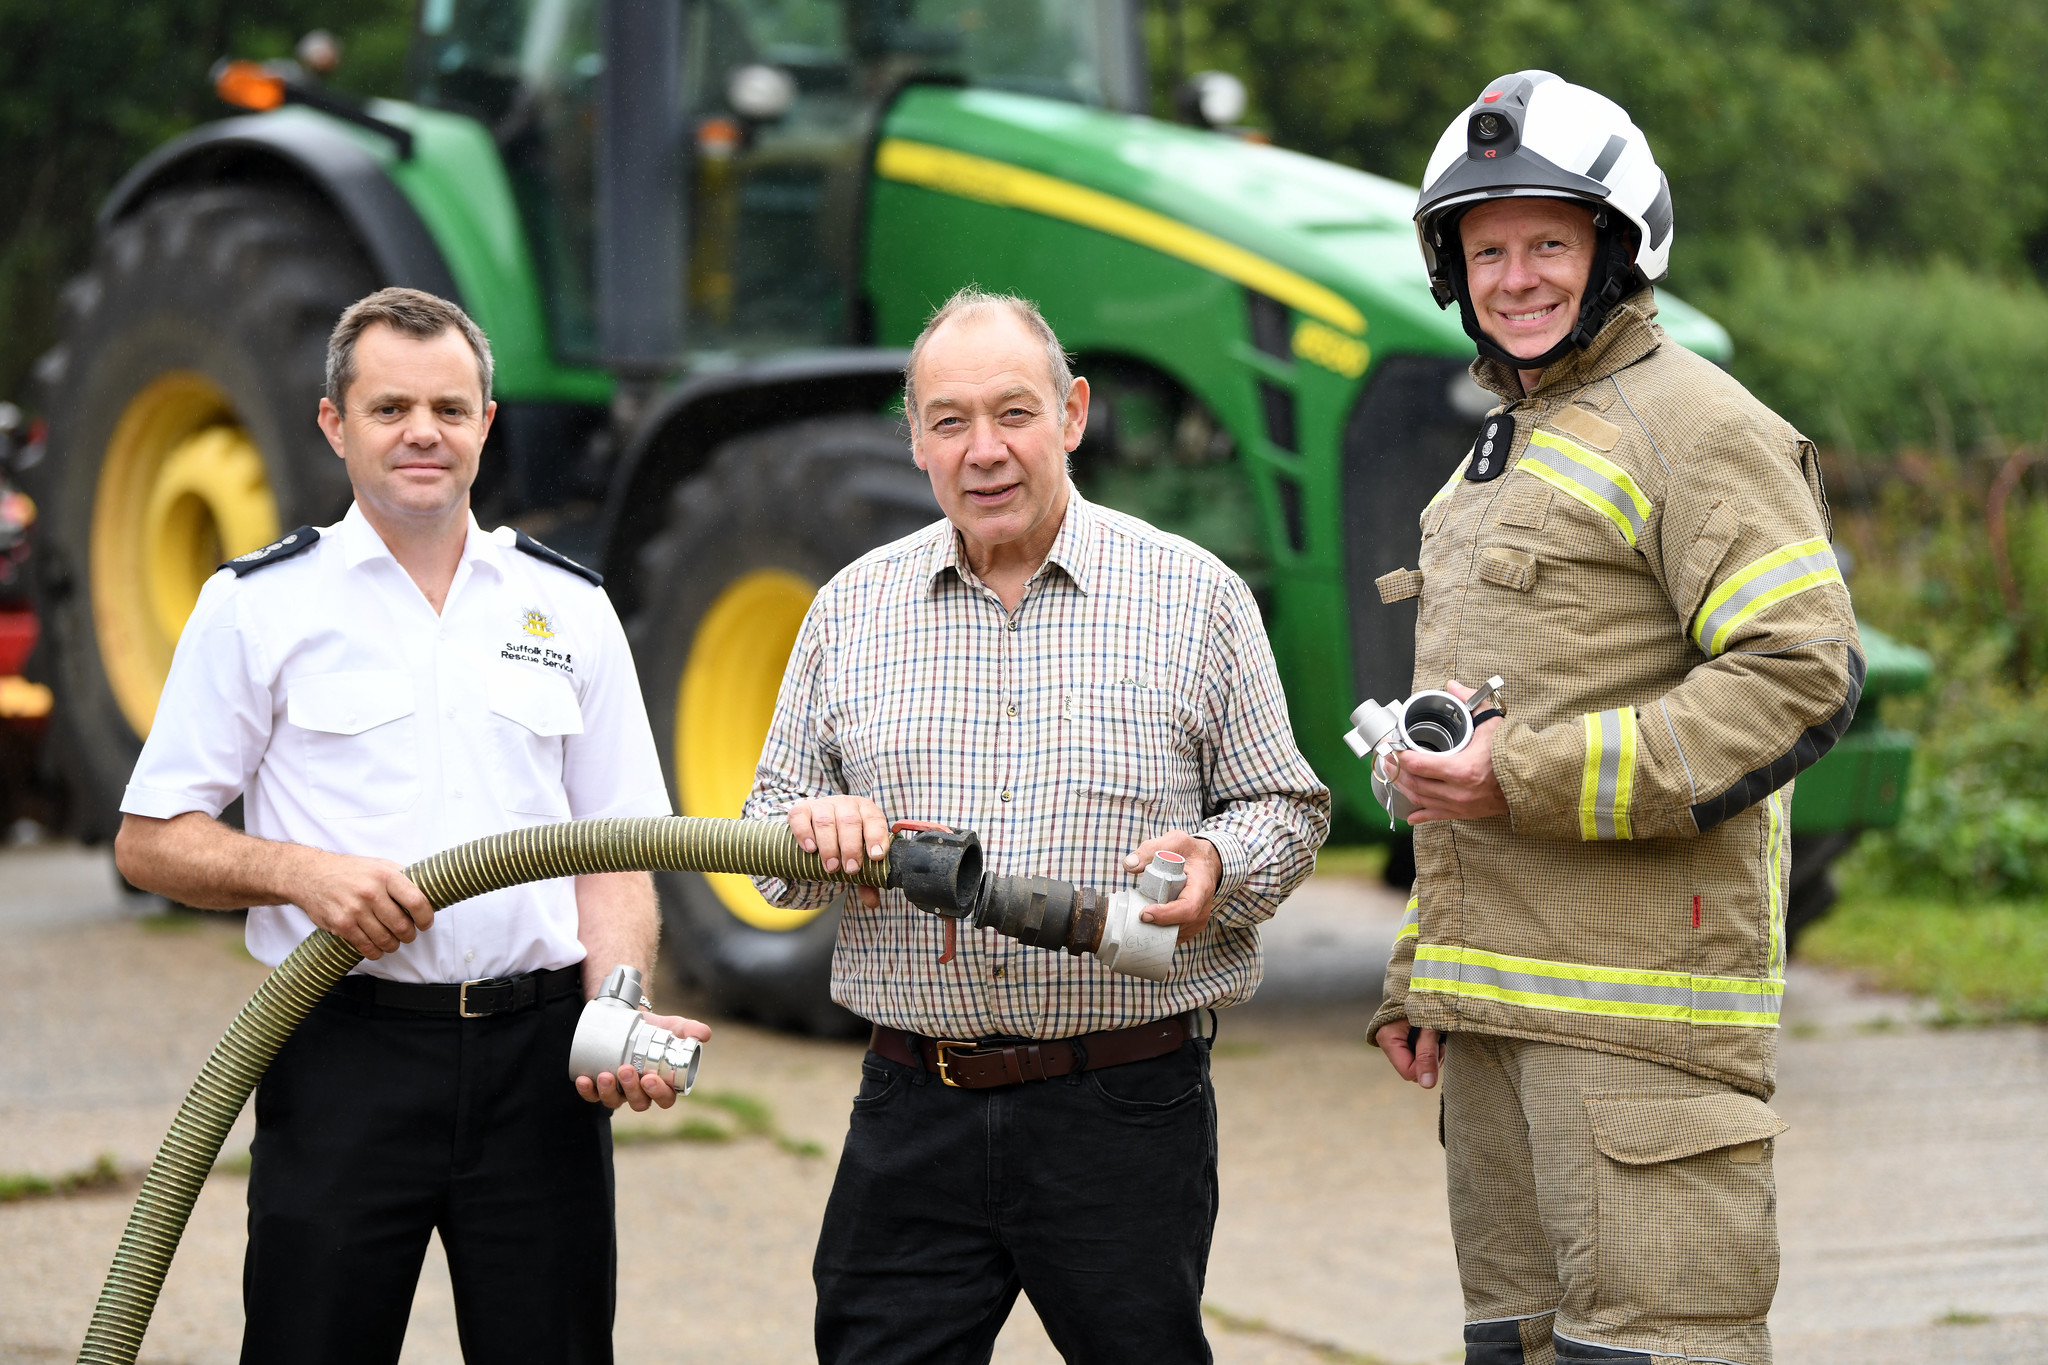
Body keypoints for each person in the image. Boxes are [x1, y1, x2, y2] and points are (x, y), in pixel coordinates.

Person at [1366, 73, 1863, 1365]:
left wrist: (1518, 776)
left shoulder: (1696, 428)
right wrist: (1427, 968)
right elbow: (1472, 737)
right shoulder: (1496, 459)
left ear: (1617, 245)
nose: (1514, 275)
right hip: (1498, 1024)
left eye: (1546, 241)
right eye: (1487, 249)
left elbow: (1799, 670)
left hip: (1641, 1029)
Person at [113, 287, 704, 1365]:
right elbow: (152, 840)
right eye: (389, 409)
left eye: (447, 406)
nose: (421, 432)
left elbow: (617, 854)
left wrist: (616, 1013)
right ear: (335, 425)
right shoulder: (257, 606)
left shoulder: (567, 605)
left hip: (539, 1068)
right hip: (343, 1053)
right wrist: (300, 873)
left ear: (486, 421)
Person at [742, 286, 1329, 1364]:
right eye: (949, 421)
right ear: (912, 438)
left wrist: (1218, 859)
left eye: (1013, 413)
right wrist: (802, 829)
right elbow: (765, 847)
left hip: (1121, 1103)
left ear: (1071, 413)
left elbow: (1282, 806)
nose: (983, 451)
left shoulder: (1191, 596)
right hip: (913, 1104)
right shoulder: (848, 609)